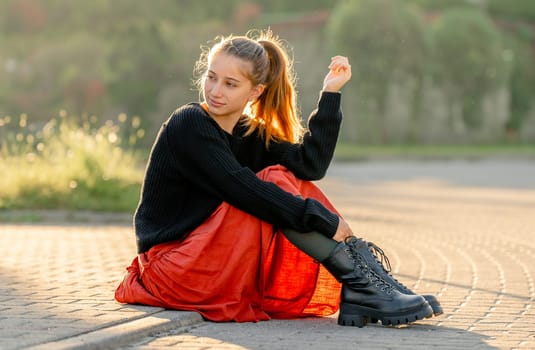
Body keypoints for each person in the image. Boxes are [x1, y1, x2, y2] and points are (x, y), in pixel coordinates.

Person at [115, 29, 441, 327]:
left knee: (284, 177)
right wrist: (322, 219)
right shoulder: (189, 123)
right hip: (171, 269)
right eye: (212, 78)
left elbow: (309, 166)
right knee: (269, 183)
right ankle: (361, 284)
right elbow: (241, 187)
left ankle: (367, 282)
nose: (215, 91)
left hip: (209, 261)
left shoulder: (248, 134)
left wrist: (330, 95)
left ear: (255, 92)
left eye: (230, 84)